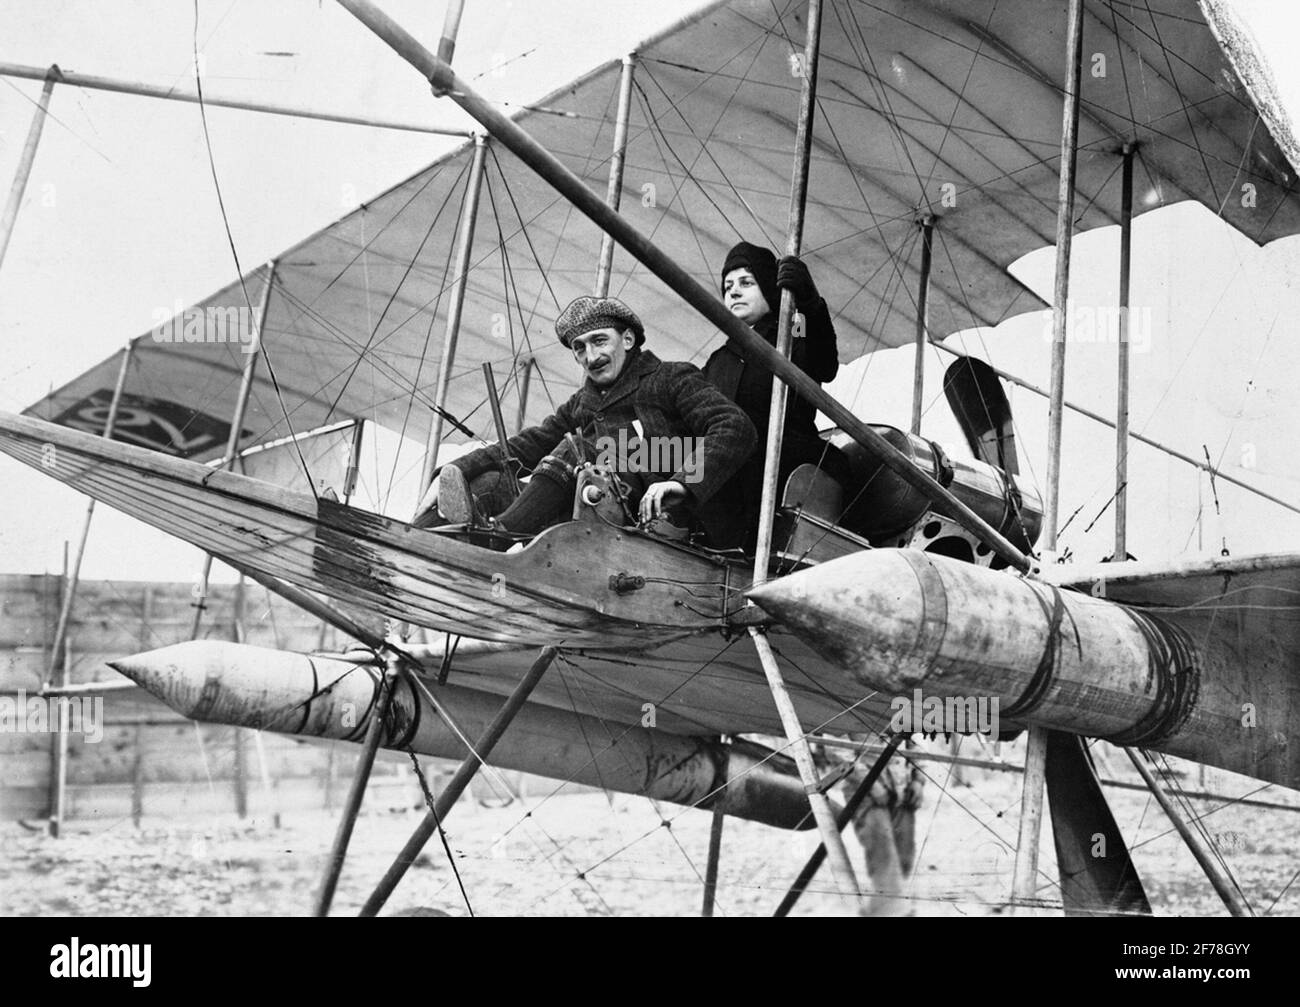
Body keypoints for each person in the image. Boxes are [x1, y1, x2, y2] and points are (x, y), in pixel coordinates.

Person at [413, 295, 757, 537]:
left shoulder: (671, 378)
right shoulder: (583, 402)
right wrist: (454, 470)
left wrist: (682, 483)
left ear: (628, 338)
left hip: (663, 516)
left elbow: (734, 427)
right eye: (579, 347)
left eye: (599, 340)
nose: (590, 356)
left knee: (580, 449)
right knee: (488, 483)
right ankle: (413, 544)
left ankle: (498, 535)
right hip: (593, 512)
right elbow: (527, 444)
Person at [700, 241, 852, 549]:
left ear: (769, 288)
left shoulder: (791, 333)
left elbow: (823, 361)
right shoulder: (719, 360)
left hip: (780, 457)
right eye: (728, 286)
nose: (733, 292)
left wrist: (808, 303)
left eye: (746, 282)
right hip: (728, 472)